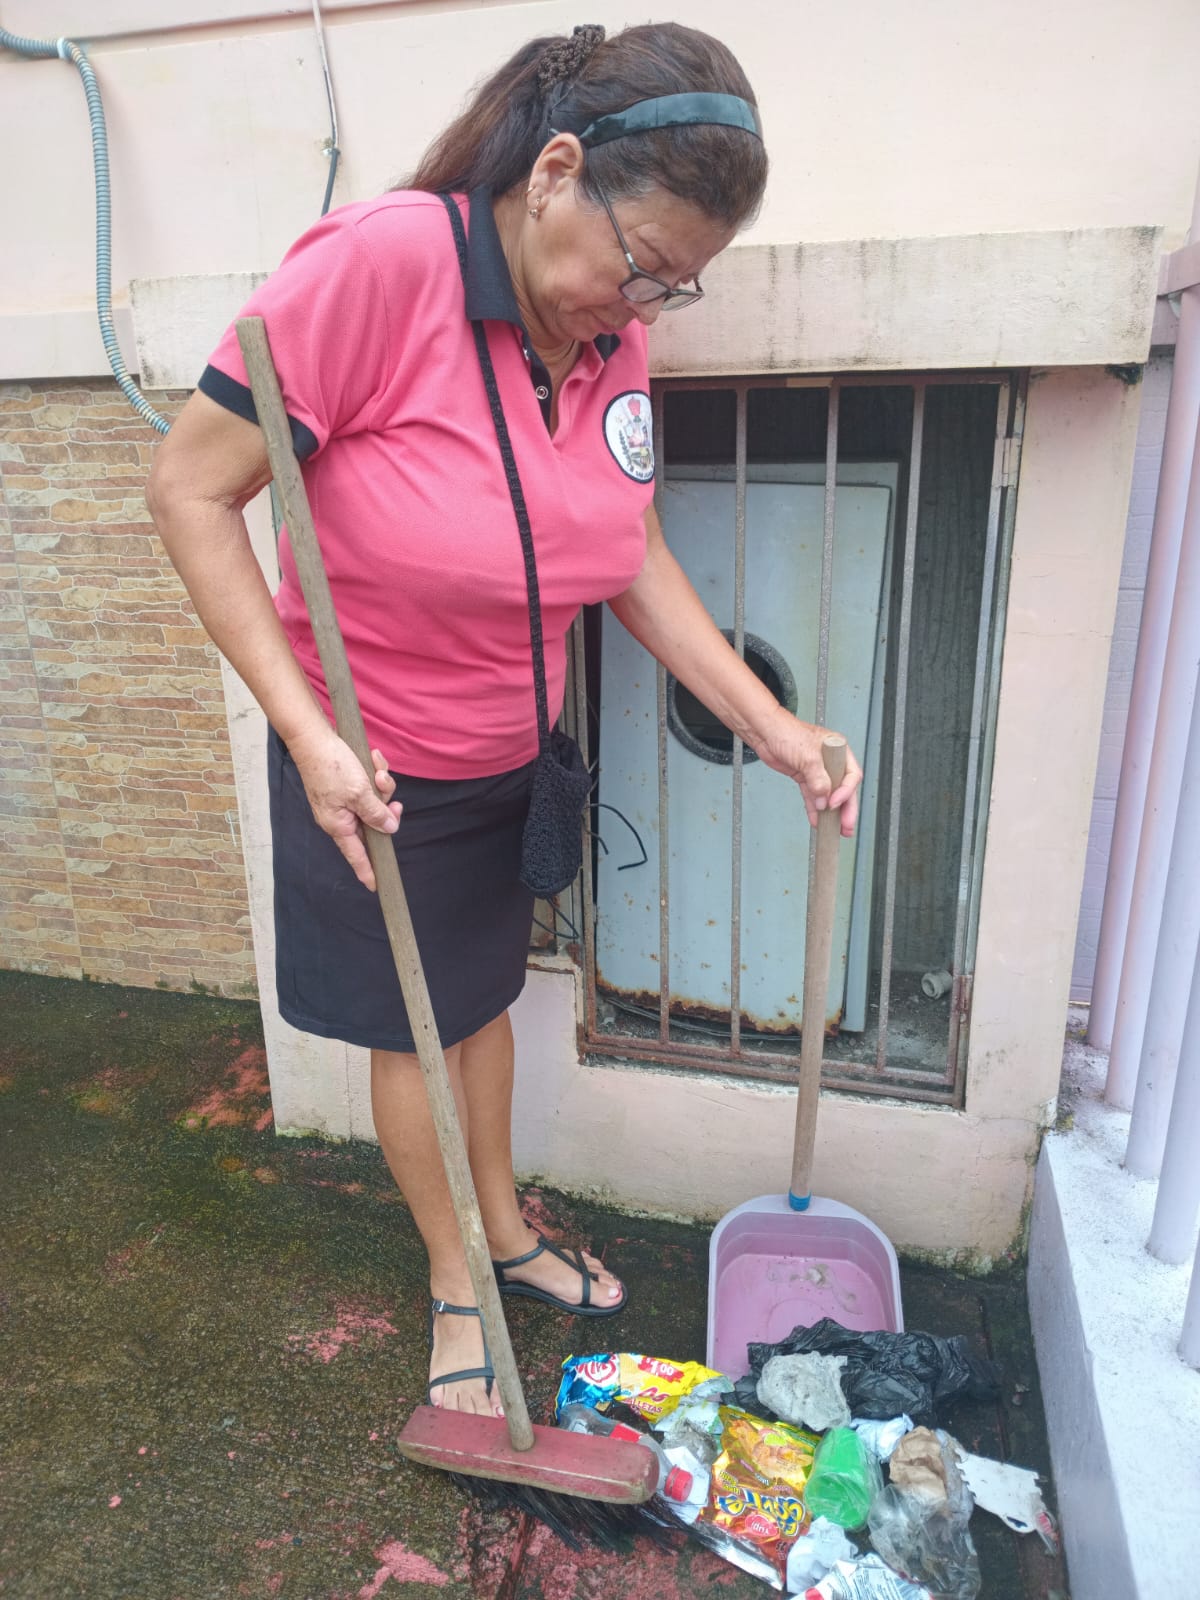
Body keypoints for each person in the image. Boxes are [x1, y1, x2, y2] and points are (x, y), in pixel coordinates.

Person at [146, 21, 863, 1421]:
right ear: (554, 174)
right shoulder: (379, 268)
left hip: (509, 751)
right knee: (418, 1033)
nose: (645, 303)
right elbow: (191, 488)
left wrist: (771, 723)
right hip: (372, 764)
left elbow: (626, 548)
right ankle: (456, 1277)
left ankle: (506, 1232)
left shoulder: (606, 335)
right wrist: (306, 736)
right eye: (640, 265)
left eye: (676, 284)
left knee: (483, 1006)